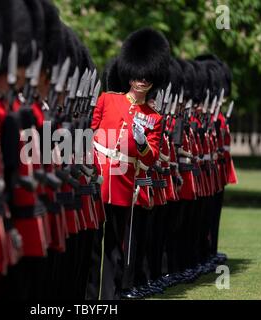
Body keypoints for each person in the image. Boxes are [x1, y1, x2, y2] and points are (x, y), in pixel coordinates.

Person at [91, 27, 170, 300]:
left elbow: (150, 158)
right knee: (93, 244)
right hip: (99, 177)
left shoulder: (155, 118)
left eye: (146, 78)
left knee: (115, 248)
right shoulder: (107, 99)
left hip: (124, 184)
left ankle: (110, 299)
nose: (141, 82)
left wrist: (141, 141)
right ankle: (89, 300)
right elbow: (90, 135)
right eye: (137, 76)